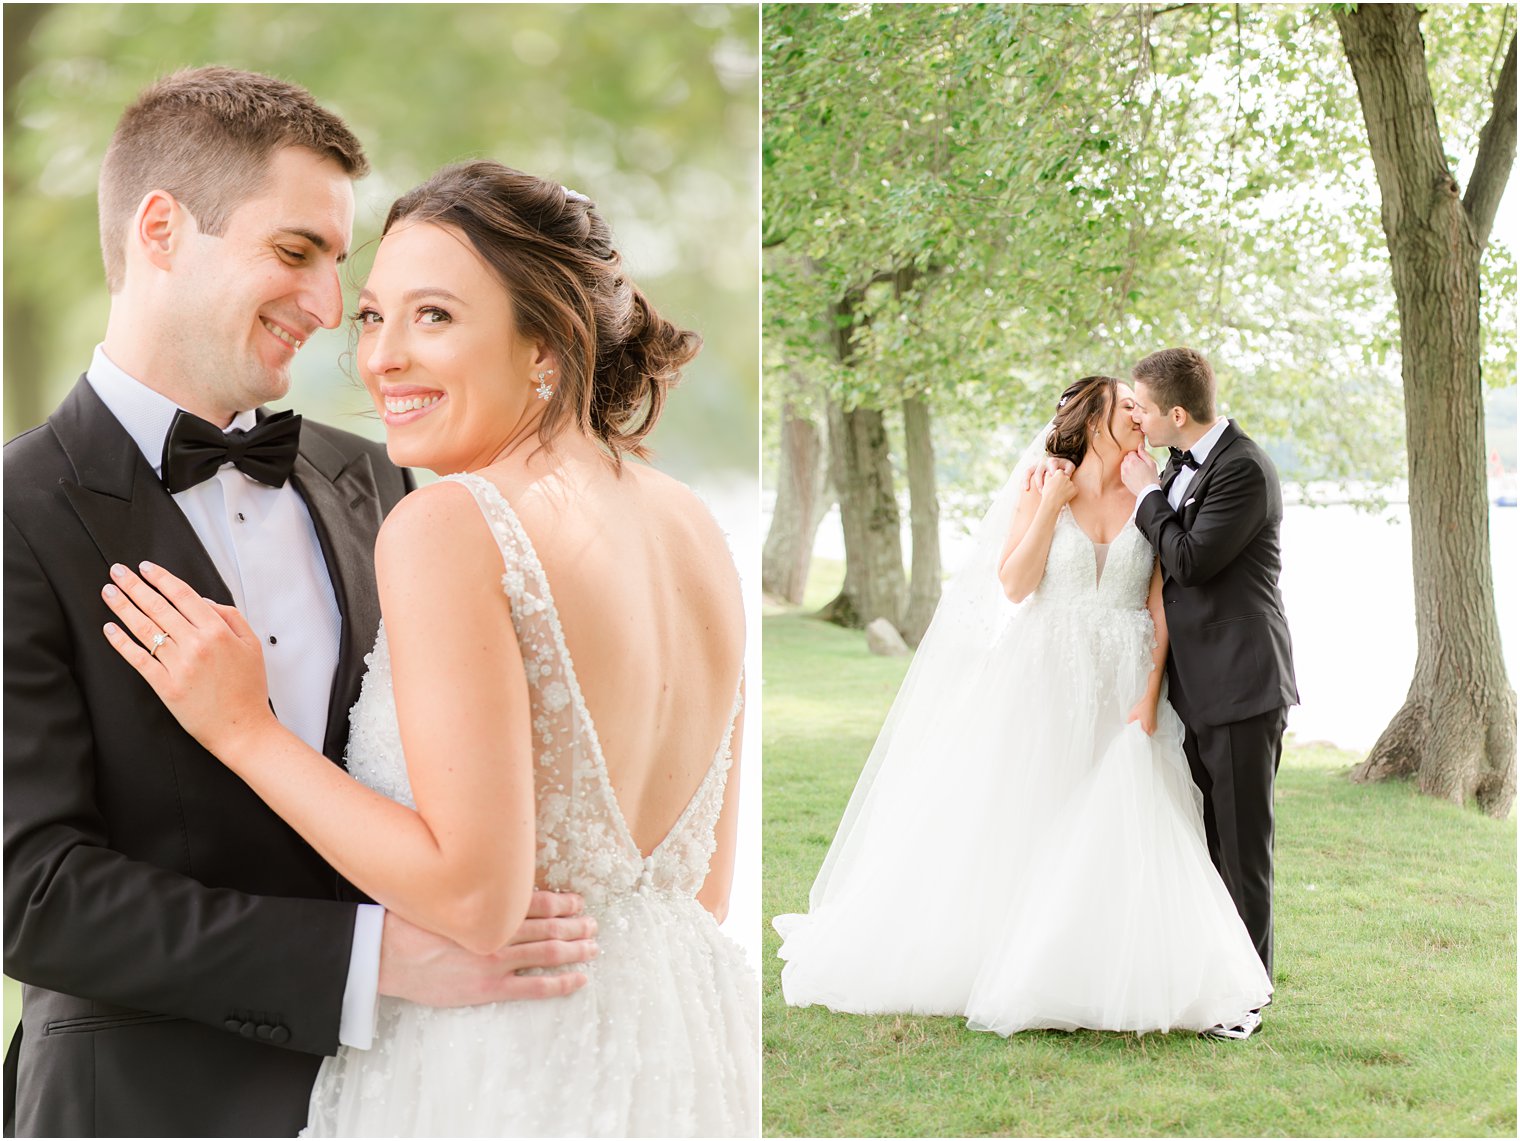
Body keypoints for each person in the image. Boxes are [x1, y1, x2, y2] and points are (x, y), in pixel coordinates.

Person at [99, 159, 759, 1136]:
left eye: (435, 317)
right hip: (684, 1044)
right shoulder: (690, 525)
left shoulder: (449, 525)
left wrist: (242, 729)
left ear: (545, 343)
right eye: (372, 316)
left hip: (501, 1066)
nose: (382, 358)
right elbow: (698, 889)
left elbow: (477, 900)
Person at [3, 69, 595, 1138]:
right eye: (294, 252)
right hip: (143, 1105)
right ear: (160, 229)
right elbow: (32, 891)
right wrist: (371, 961)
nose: (329, 309)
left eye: (336, 264)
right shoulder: (15, 511)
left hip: (418, 1095)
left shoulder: (382, 481)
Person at [774, 375, 1271, 1037]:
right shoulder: (1045, 486)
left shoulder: (1152, 493)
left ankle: (1093, 961)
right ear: (1093, 417)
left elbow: (1160, 604)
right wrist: (1048, 508)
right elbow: (1014, 584)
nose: (1137, 415)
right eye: (1125, 405)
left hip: (1123, 671)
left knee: (1119, 816)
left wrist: (1148, 695)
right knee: (1033, 806)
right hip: (1045, 665)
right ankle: (1008, 954)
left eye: (1140, 406)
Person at [1121, 346, 1299, 1040]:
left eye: (1139, 405)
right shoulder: (1178, 463)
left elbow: (1190, 559)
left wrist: (1143, 496)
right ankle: (1209, 978)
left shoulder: (1245, 470)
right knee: (1204, 842)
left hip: (1243, 682)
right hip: (1194, 686)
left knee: (1242, 846)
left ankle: (1245, 1000)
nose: (1133, 416)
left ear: (1175, 412)